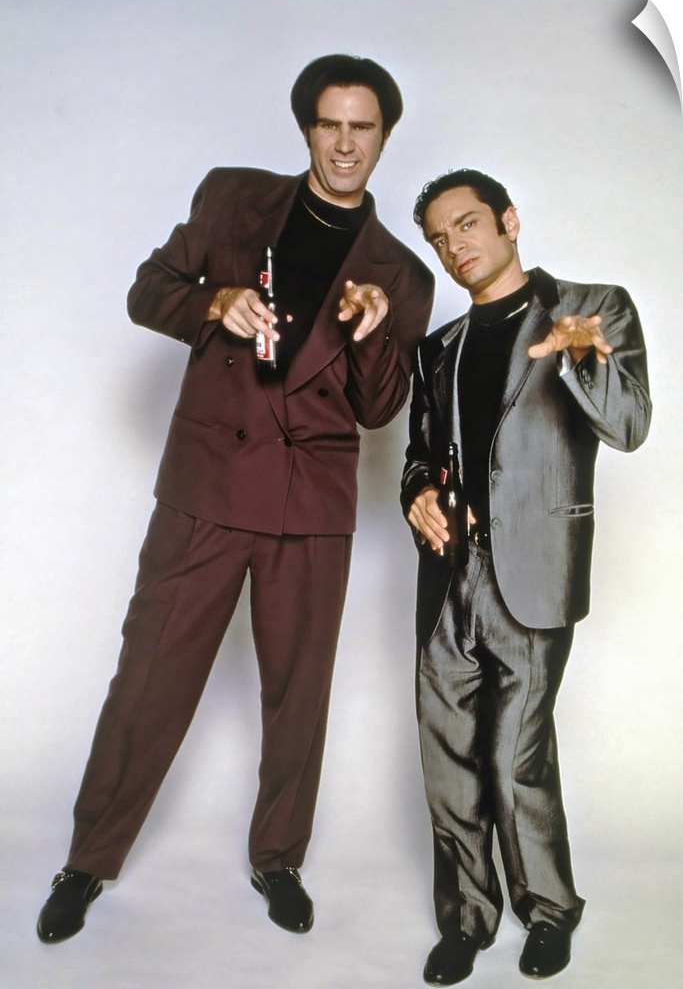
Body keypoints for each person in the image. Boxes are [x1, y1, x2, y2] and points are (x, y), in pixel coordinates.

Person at [36, 54, 434, 945]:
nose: (344, 144)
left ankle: (278, 859)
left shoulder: (402, 275)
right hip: (207, 488)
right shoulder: (231, 199)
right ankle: (87, 859)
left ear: (383, 137)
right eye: (329, 125)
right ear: (306, 130)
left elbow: (379, 409)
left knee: (299, 695)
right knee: (149, 678)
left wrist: (372, 332)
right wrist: (216, 301)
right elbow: (147, 290)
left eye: (362, 128)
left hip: (311, 506)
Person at [401, 168, 651, 984]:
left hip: (533, 573)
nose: (454, 246)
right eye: (438, 238)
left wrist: (579, 355)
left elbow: (629, 426)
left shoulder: (592, 308)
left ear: (508, 220)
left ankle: (548, 911)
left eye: (467, 224)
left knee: (513, 758)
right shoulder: (437, 348)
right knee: (448, 761)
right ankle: (467, 920)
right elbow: (418, 454)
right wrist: (415, 495)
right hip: (447, 577)